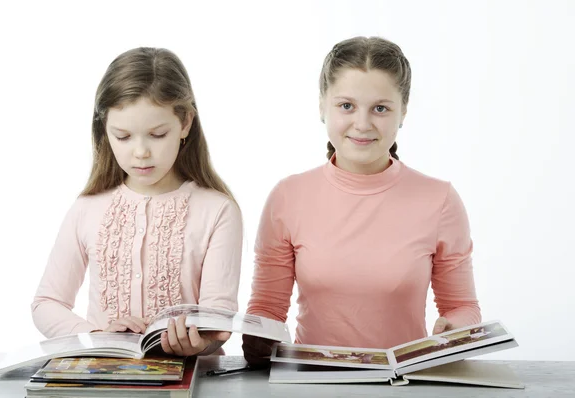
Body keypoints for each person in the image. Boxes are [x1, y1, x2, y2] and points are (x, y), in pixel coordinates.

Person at [242, 36, 481, 366]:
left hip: (404, 382)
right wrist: (257, 338)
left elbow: (463, 306)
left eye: (380, 108)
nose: (363, 124)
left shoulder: (439, 200)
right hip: (311, 381)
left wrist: (454, 328)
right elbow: (267, 309)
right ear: (322, 105)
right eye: (346, 106)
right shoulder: (287, 197)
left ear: (404, 112)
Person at [31, 47, 243, 357]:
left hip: (190, 382)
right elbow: (46, 303)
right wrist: (97, 335)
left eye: (157, 135)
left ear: (185, 123)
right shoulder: (88, 208)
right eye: (123, 136)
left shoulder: (217, 210)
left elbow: (218, 315)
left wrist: (201, 341)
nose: (141, 151)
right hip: (103, 377)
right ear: (104, 130)